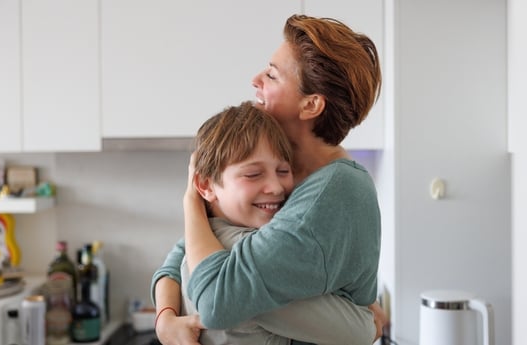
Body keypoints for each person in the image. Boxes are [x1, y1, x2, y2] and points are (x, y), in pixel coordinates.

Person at [152, 13, 385, 344]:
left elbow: (216, 295)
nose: (255, 79)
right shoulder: (291, 178)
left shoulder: (333, 191)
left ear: (311, 105)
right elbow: (182, 255)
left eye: (272, 76)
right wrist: (165, 319)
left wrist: (192, 201)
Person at [169, 101, 376, 345]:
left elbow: (173, 259)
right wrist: (368, 312)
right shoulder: (237, 254)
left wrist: (164, 317)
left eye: (283, 171)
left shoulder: (200, 240)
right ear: (205, 185)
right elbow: (359, 332)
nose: (276, 187)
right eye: (253, 174)